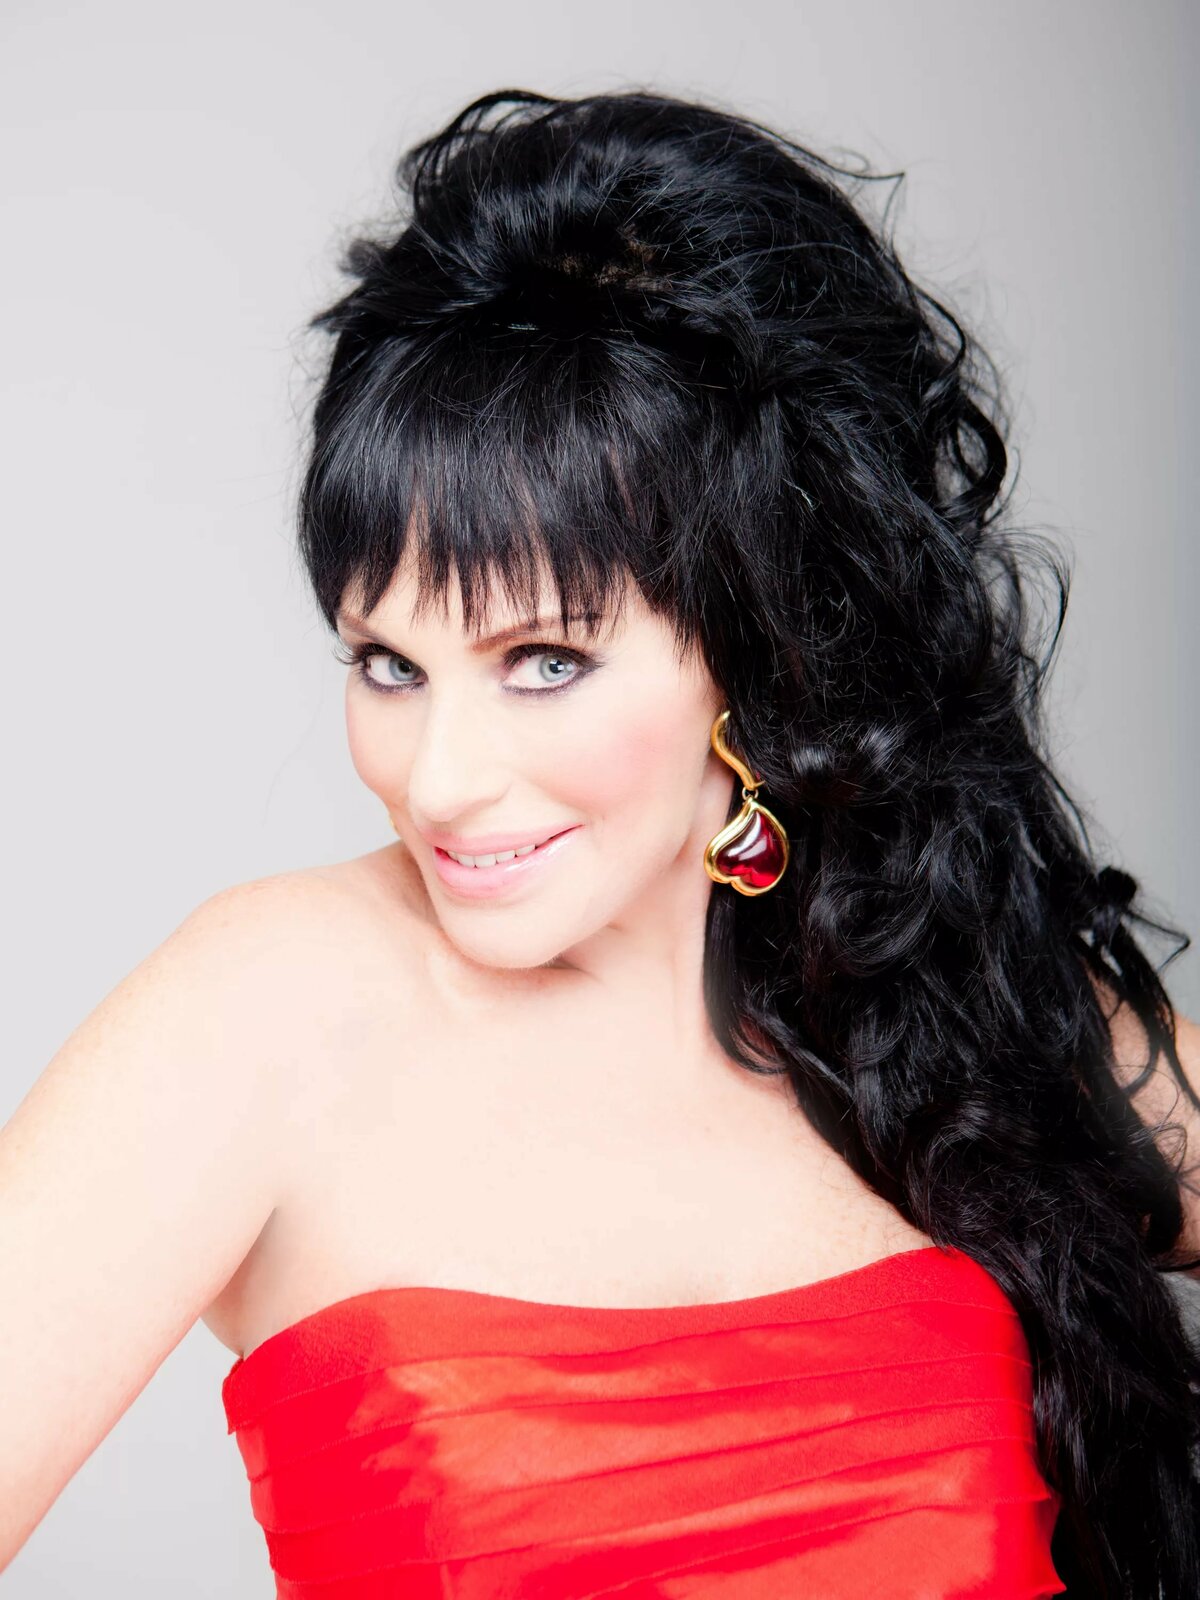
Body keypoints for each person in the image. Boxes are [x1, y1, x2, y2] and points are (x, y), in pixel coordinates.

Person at [2, 86, 1198, 1598]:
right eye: (388, 664)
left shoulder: (932, 1010)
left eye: (545, 662)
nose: (440, 782)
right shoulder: (270, 1007)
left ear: (762, 647)